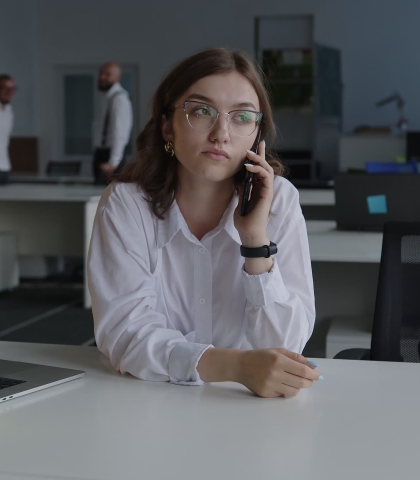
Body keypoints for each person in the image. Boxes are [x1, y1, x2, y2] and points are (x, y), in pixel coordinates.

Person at [87, 48, 319, 398]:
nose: (221, 134)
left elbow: (284, 349)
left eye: (242, 117)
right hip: (147, 403)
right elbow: (125, 333)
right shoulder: (126, 203)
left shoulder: (279, 201)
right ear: (167, 126)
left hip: (249, 412)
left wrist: (256, 241)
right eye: (202, 111)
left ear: (257, 135)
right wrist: (237, 366)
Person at [92, 62, 134, 185]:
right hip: (101, 153)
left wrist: (113, 161)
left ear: (118, 78)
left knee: (107, 198)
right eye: (101, 73)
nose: (102, 77)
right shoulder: (105, 97)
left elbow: (119, 131)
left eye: (107, 74)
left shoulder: (119, 99)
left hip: (111, 157)